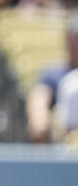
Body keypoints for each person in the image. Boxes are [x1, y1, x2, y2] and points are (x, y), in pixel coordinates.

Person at [27, 12, 78, 143]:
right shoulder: (54, 74)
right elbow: (39, 97)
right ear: (67, 39)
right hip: (67, 143)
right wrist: (40, 120)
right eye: (75, 37)